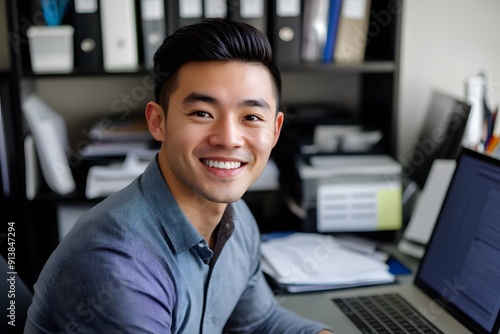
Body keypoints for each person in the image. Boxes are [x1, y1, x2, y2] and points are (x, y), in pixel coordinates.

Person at [24, 18, 333, 333]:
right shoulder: (116, 262)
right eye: (202, 113)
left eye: (251, 117)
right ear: (158, 121)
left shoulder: (235, 221)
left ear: (275, 130)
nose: (228, 138)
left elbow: (260, 322)